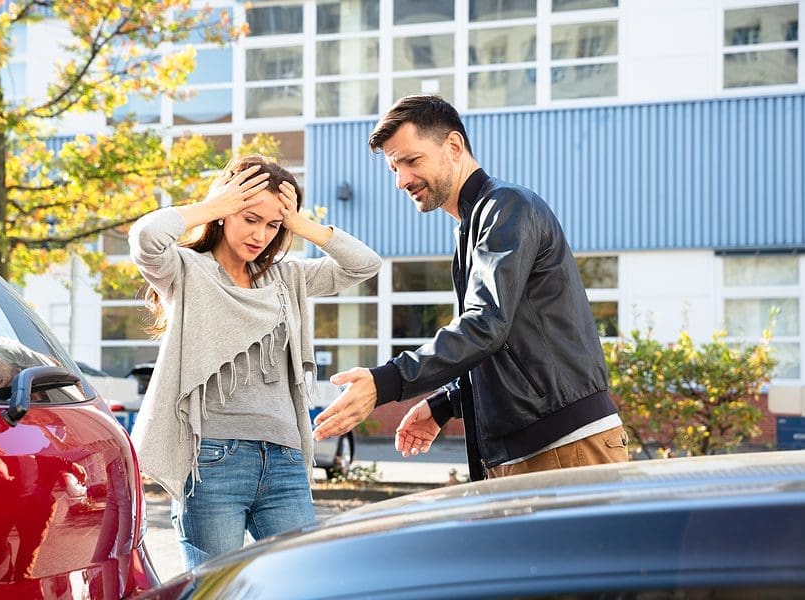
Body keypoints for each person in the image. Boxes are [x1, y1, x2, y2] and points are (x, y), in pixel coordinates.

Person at [313, 95, 628, 481]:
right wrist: (445, 404)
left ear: (454, 146)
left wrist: (387, 381)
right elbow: (510, 345)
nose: (401, 181)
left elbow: (485, 325)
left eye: (411, 161)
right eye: (394, 168)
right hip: (531, 449)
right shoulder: (473, 225)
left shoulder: (507, 208)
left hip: (563, 444)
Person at [129, 155, 381, 567]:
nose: (261, 234)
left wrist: (301, 225)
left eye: (273, 225)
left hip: (284, 459)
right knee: (221, 590)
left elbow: (364, 264)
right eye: (249, 218)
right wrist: (212, 206)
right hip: (212, 462)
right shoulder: (186, 271)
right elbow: (146, 237)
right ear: (226, 212)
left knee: (304, 581)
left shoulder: (287, 278)